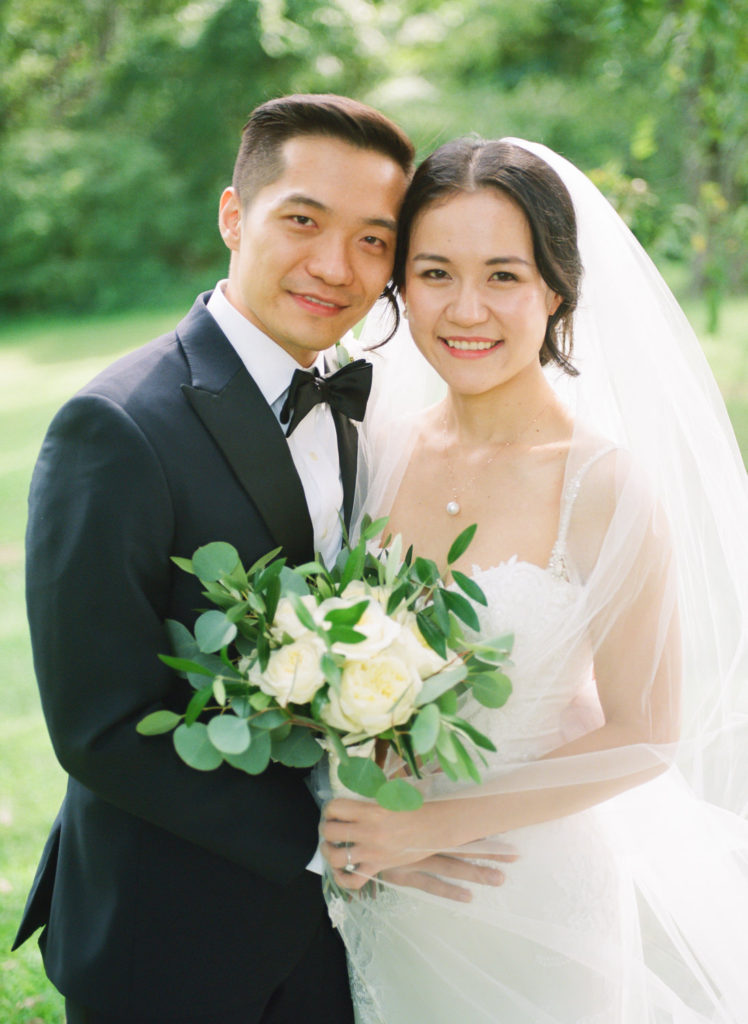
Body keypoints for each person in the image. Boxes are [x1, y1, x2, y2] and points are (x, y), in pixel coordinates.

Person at [12, 94, 506, 1024]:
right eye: (303, 221)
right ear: (235, 216)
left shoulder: (377, 412)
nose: (335, 265)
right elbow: (99, 726)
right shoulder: (115, 428)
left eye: (374, 240)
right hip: (169, 933)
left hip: (334, 938)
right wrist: (330, 841)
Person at [319, 137, 748, 1022]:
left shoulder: (604, 486)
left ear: (556, 289)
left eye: (503, 276)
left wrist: (431, 826)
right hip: (377, 893)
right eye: (435, 273)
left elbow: (645, 729)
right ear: (400, 286)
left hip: (529, 896)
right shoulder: (373, 450)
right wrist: (363, 816)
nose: (465, 309)